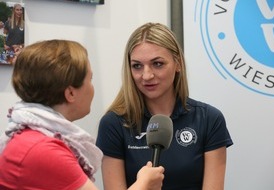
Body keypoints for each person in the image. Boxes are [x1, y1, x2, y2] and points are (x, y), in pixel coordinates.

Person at [0, 39, 164, 190]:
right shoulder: (44, 151)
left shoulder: (33, 139)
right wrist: (144, 183)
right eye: (90, 80)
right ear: (70, 93)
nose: (92, 89)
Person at [96, 22, 233, 190]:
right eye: (137, 66)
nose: (146, 75)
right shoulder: (114, 123)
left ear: (178, 64)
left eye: (157, 64)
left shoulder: (209, 119)